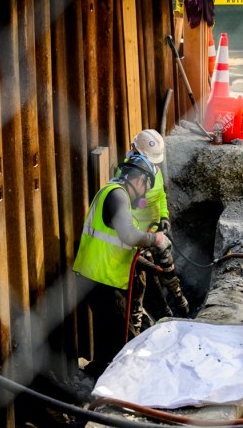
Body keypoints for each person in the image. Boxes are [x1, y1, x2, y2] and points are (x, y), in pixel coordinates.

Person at [72, 152, 171, 378]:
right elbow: (128, 235)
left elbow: (120, 242)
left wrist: (148, 261)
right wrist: (156, 239)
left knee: (108, 336)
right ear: (140, 179)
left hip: (98, 277)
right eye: (147, 186)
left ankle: (98, 375)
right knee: (119, 339)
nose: (145, 193)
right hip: (100, 279)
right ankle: (115, 388)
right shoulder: (118, 195)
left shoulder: (115, 194)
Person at [122, 129, 188, 334]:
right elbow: (128, 212)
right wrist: (143, 239)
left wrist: (164, 217)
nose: (154, 165)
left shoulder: (156, 172)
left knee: (168, 268)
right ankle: (141, 325)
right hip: (140, 237)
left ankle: (182, 305)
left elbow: (160, 196)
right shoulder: (127, 177)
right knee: (141, 283)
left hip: (155, 230)